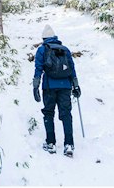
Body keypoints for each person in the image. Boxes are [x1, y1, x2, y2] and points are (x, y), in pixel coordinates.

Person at [32, 23, 81, 157]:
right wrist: (76, 85)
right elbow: (72, 69)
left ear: (43, 39)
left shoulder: (42, 50)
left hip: (49, 87)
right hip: (65, 86)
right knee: (66, 114)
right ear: (54, 37)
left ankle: (51, 143)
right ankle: (69, 145)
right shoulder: (64, 49)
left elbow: (38, 69)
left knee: (48, 113)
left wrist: (35, 86)